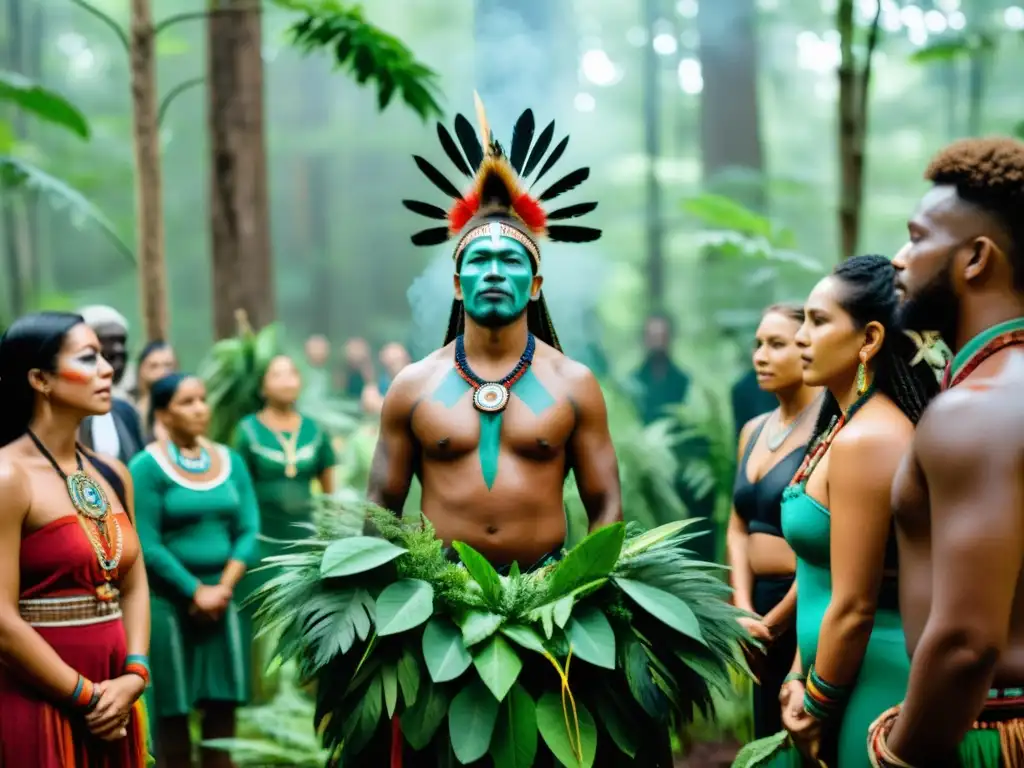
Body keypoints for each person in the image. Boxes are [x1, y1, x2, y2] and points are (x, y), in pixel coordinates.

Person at [868, 137, 1024, 766]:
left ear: (975, 259)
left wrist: (901, 756)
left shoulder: (976, 410)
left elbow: (964, 643)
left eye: (918, 237)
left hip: (991, 734)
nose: (899, 260)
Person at [769, 255, 939, 766]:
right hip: (828, 675)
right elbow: (816, 571)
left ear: (868, 340)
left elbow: (855, 603)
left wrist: (817, 702)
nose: (801, 336)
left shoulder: (870, 440)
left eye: (818, 322)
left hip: (868, 684)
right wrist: (798, 672)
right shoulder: (841, 426)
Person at [0, 311, 150, 766]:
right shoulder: (9, 478)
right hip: (40, 695)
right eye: (88, 359)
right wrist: (85, 695)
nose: (107, 369)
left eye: (103, 358)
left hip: (116, 695)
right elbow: (1, 619)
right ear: (40, 380)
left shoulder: (113, 473)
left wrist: (134, 677)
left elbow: (135, 583)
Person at [129, 373, 259, 768]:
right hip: (169, 605)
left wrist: (222, 588)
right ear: (164, 413)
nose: (200, 408)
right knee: (173, 710)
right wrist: (193, 590)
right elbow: (145, 542)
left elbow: (249, 527)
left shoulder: (229, 460)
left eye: (202, 399)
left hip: (223, 601)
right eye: (187, 402)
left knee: (222, 705)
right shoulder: (145, 467)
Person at [727, 302, 821, 739]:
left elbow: (831, 545)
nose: (760, 356)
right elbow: (737, 525)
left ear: (807, 347)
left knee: (803, 728)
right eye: (758, 344)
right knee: (765, 732)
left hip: (807, 603)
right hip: (757, 607)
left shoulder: (831, 428)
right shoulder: (753, 429)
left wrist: (778, 620)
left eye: (776, 344)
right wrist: (743, 607)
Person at [234, 355, 337, 700]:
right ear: (262, 386)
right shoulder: (247, 430)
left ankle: (304, 696)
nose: (287, 379)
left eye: (292, 372)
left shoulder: (316, 430)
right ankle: (257, 698)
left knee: (306, 619)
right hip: (261, 540)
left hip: (304, 543)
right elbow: (239, 488)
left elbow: (329, 492)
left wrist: (331, 538)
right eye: (277, 374)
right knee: (258, 621)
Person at [77, 306, 145, 464]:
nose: (117, 349)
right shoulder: (65, 415)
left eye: (122, 341)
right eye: (107, 340)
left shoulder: (125, 413)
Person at [131, 340, 177, 441]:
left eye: (168, 365)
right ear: (141, 369)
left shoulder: (182, 407)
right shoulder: (132, 408)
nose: (162, 372)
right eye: (154, 366)